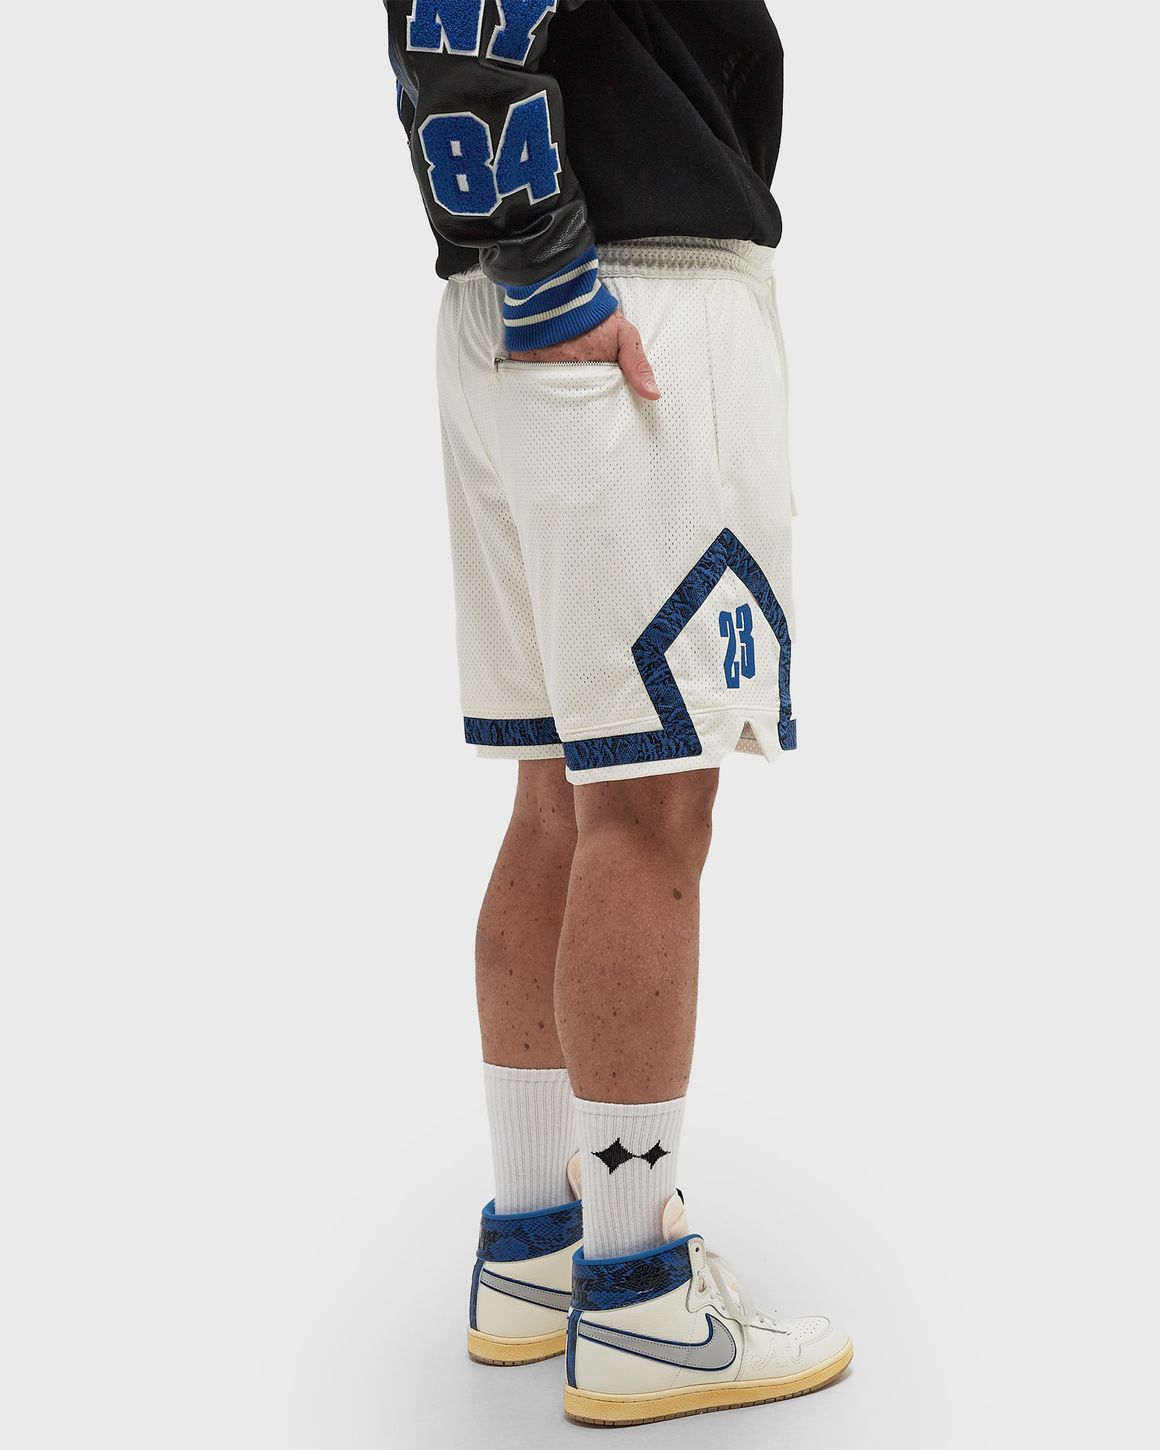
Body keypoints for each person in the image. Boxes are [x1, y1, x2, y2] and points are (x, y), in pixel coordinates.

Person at [383, 0, 852, 1425]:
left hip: (516, 302)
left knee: (560, 795)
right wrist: (550, 266)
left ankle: (538, 1246)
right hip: (622, 294)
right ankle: (640, 1296)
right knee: (650, 809)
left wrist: (528, 263)